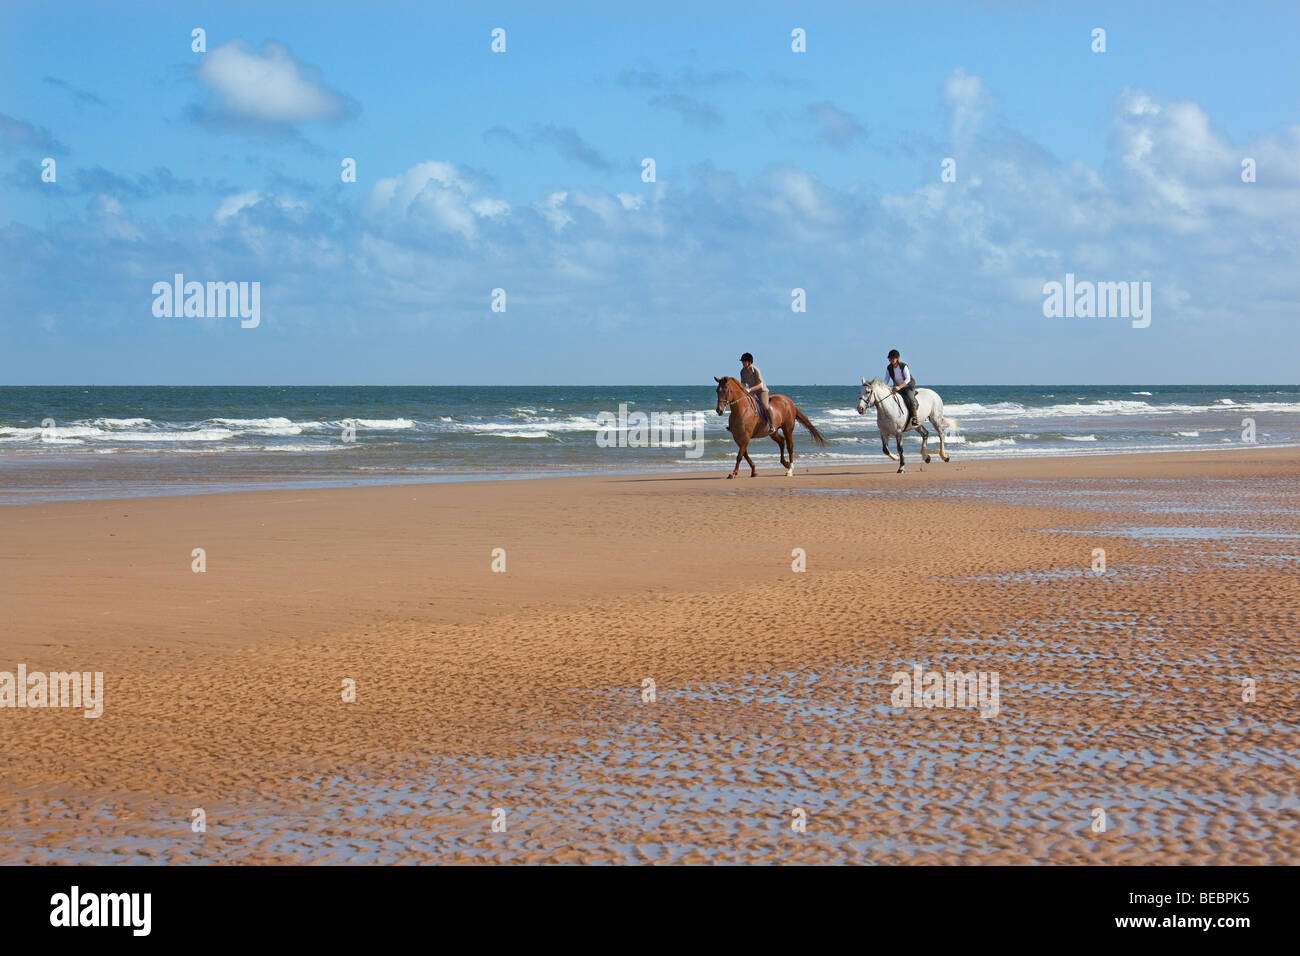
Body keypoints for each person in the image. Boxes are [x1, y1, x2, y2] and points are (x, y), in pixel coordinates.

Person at [739, 353, 777, 435]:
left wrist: (749, 389)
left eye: (744, 361)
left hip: (762, 391)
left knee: (765, 405)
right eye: (742, 361)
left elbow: (761, 385)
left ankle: (772, 426)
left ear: (749, 362)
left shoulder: (756, 370)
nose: (742, 363)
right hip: (751, 391)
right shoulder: (742, 371)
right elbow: (743, 383)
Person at [886, 349, 920, 427]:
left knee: (910, 399)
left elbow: (907, 379)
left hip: (908, 386)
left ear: (897, 358)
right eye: (890, 359)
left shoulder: (903, 366)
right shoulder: (889, 368)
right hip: (897, 387)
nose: (891, 360)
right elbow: (886, 380)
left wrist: (900, 387)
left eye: (893, 359)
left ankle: (915, 418)